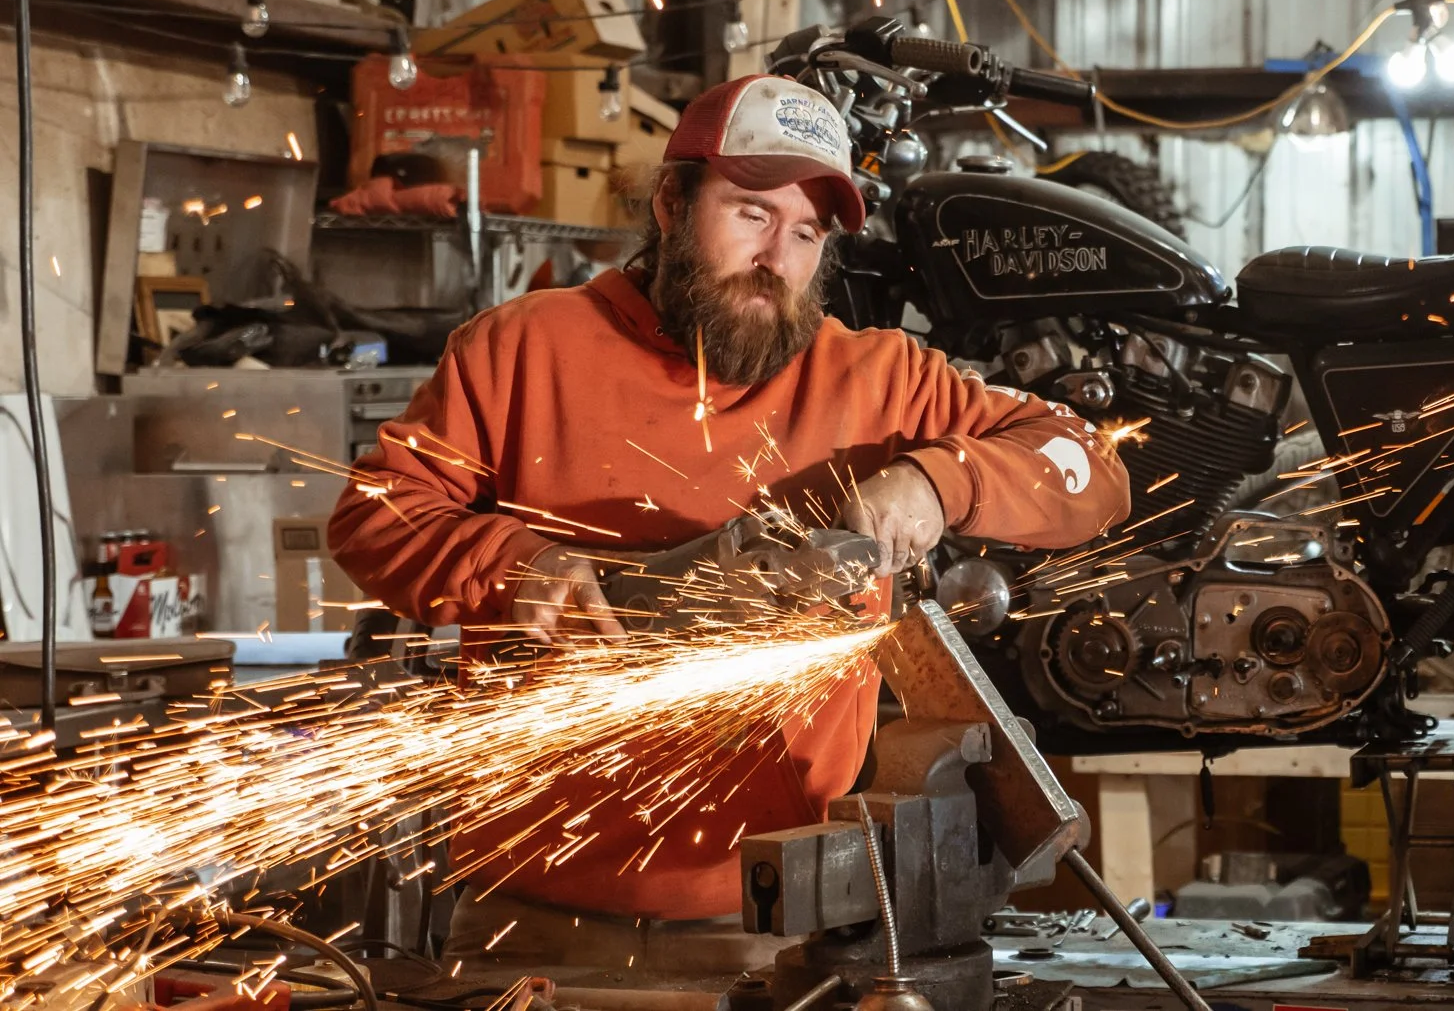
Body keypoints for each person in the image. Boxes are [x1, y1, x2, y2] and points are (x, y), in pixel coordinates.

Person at [327, 74, 1130, 967]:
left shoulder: (877, 380)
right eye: (751, 213)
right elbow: (373, 517)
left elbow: (1089, 462)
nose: (776, 257)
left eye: (806, 232)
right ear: (672, 202)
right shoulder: (520, 348)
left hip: (780, 919)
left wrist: (940, 480)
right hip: (531, 921)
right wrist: (512, 561)